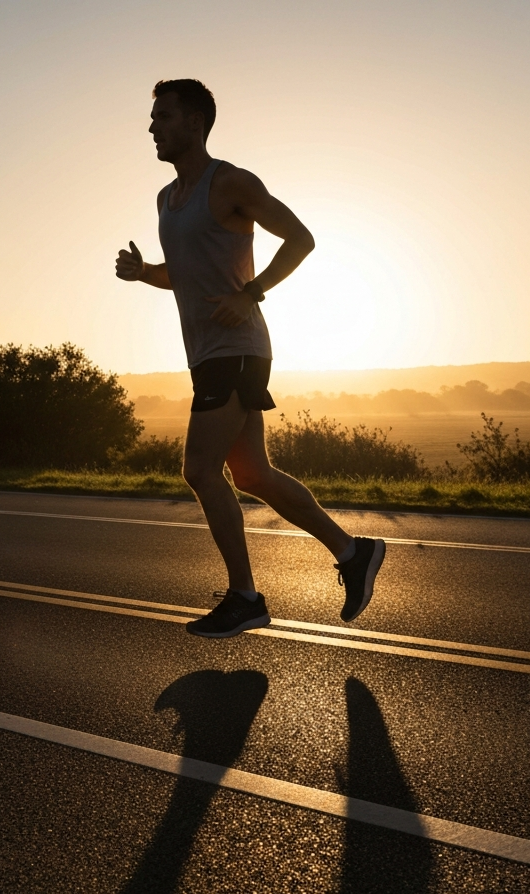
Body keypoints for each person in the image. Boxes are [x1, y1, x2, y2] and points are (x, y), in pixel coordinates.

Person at [116, 78, 385, 639]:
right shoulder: (167, 200)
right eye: (153, 118)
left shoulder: (231, 182)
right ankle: (353, 552)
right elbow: (183, 277)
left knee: (199, 470)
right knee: (251, 473)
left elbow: (300, 238)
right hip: (209, 353)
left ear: (195, 122)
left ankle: (245, 597)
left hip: (238, 350)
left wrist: (251, 292)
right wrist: (144, 274)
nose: (152, 128)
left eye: (163, 117)